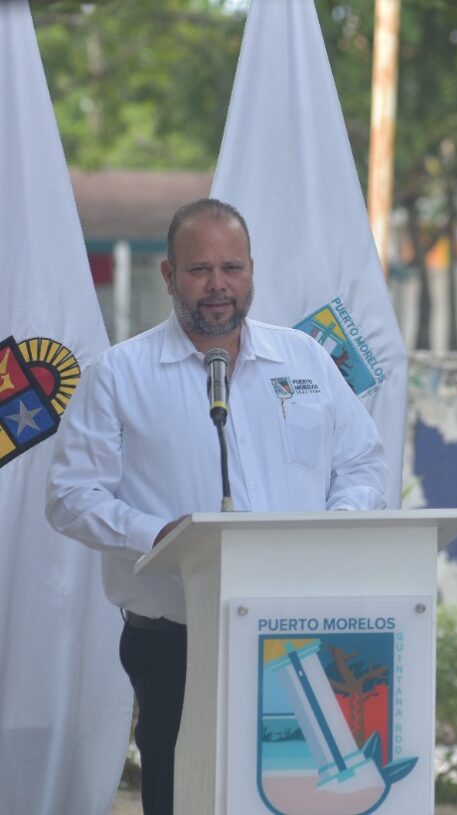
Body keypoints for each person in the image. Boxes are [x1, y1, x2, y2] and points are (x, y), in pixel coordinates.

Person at [45, 198, 386, 815]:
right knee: (186, 796)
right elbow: (71, 496)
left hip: (300, 630)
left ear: (252, 271)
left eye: (232, 268)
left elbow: (362, 464)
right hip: (178, 642)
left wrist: (334, 534)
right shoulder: (120, 375)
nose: (218, 286)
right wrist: (159, 534)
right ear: (169, 276)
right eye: (200, 270)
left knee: (297, 796)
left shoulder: (304, 360)